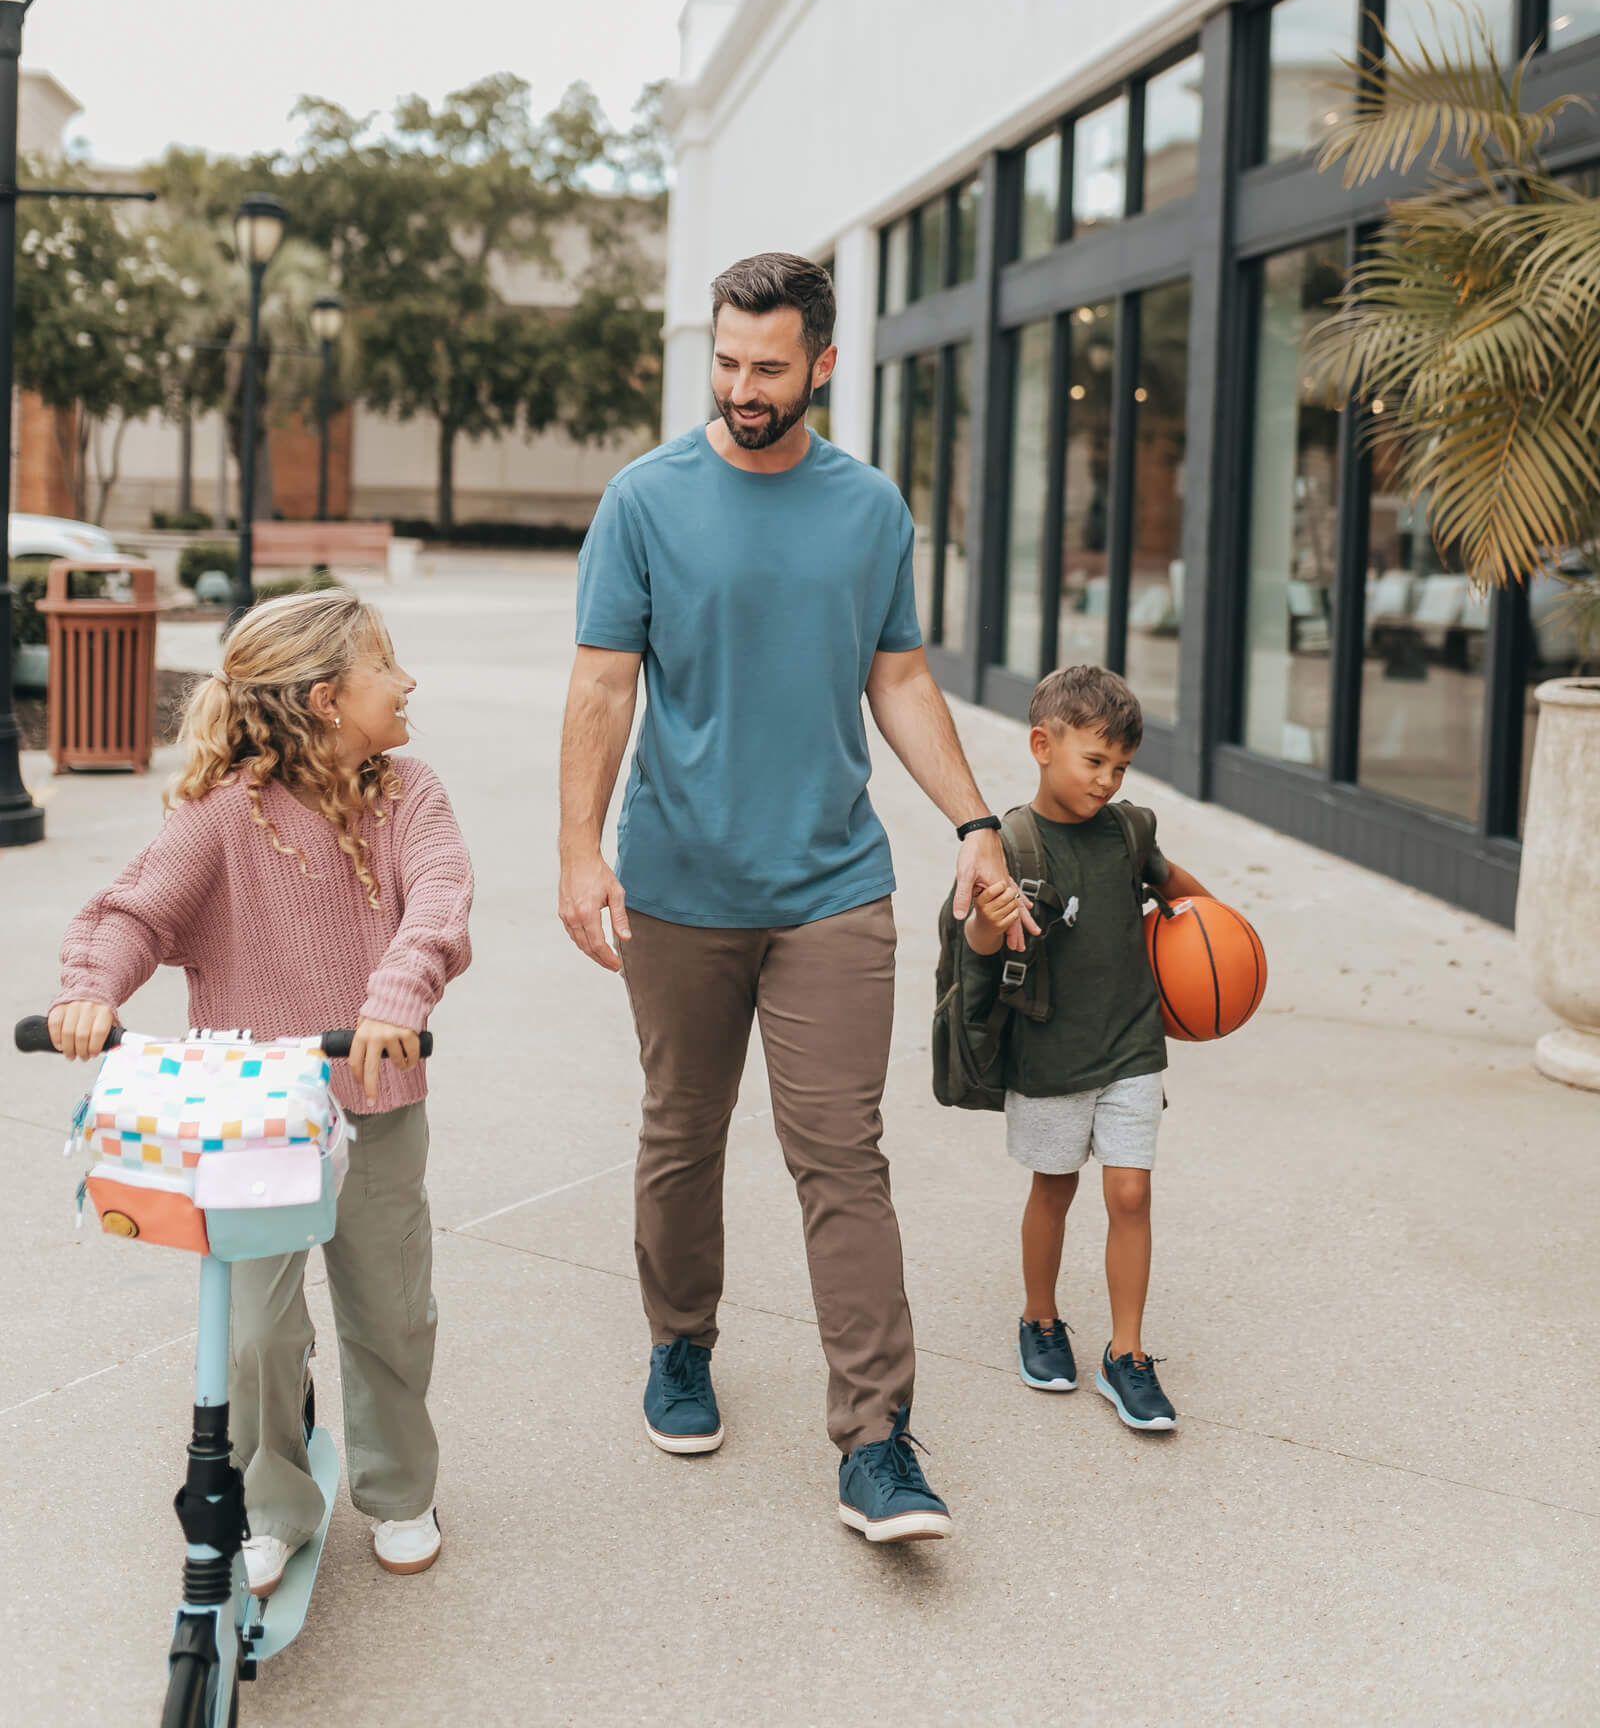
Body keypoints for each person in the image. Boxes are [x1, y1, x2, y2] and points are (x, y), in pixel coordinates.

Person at [558, 250, 1026, 1543]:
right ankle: (680, 1344)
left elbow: (903, 679)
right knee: (681, 1131)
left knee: (841, 1155)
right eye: (724, 361)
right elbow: (602, 688)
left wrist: (976, 821)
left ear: (823, 360)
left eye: (769, 365)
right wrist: (576, 852)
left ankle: (878, 1440)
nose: (742, 386)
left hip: (831, 882)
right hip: (680, 882)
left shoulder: (871, 509)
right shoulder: (644, 501)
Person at [49, 589, 472, 1590]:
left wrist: (394, 998)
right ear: (326, 696)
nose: (408, 682)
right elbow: (133, 912)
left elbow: (441, 901)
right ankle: (274, 1500)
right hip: (252, 1120)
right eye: (387, 667)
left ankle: (400, 1487)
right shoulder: (225, 813)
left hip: (376, 1099)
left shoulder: (409, 791)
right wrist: (89, 992)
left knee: (391, 1312)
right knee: (251, 1338)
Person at [958, 663, 1212, 1431]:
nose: (1107, 780)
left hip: (1131, 1042)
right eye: (1093, 761)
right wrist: (989, 913)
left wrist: (1216, 944)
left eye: (1121, 767)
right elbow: (972, 943)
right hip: (1050, 1051)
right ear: (1043, 743)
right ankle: (1041, 1318)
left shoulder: (1130, 833)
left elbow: (1189, 898)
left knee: (1130, 1193)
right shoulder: (1008, 843)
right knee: (1055, 1190)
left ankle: (1126, 1354)